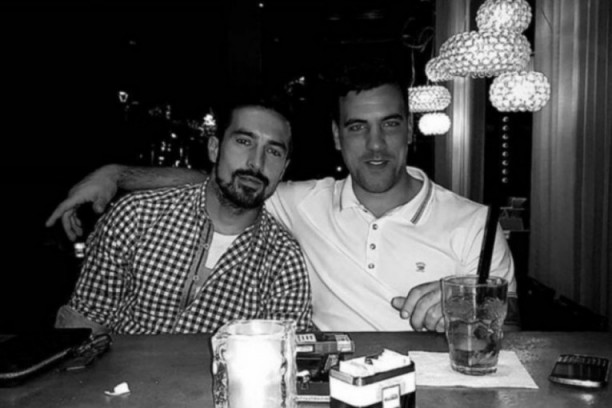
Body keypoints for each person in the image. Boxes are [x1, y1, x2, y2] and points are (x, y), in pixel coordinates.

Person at [48, 60, 517, 332]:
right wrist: (117, 174)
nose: (376, 146)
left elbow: (513, 326)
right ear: (337, 137)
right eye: (357, 128)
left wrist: (472, 306)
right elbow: (221, 183)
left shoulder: (475, 223)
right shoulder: (302, 202)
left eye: (390, 125)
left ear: (410, 130)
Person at [54, 97, 312, 335]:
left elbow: (282, 355)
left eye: (274, 151)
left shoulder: (284, 261)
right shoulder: (137, 217)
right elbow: (85, 325)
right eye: (244, 142)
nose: (256, 162)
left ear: (284, 169)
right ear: (214, 148)